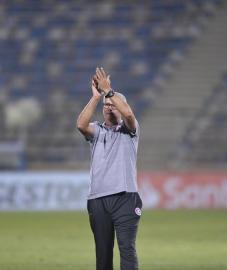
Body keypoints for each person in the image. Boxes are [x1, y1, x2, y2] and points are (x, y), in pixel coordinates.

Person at [76, 67, 143, 270]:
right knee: (102, 255)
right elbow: (80, 124)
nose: (108, 107)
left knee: (127, 248)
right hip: (97, 199)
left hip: (125, 198)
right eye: (105, 105)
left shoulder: (130, 129)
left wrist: (109, 92)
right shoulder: (96, 131)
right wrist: (97, 96)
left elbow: (129, 114)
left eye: (112, 104)